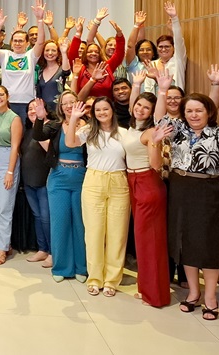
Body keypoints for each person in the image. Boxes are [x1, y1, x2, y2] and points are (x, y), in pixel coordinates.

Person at [154, 70, 219, 321]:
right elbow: (159, 121)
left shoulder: (218, 133)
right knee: (185, 241)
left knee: (209, 242)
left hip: (207, 191)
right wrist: (162, 91)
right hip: (180, 188)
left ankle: (211, 297)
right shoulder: (179, 130)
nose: (194, 115)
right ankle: (193, 292)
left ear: (208, 112)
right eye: (189, 111)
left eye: (199, 110)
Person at [65, 97, 130, 297]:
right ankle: (94, 278)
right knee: (93, 233)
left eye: (105, 109)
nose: (102, 113)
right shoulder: (88, 131)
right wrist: (74, 118)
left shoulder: (124, 133)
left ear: (112, 110)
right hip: (93, 181)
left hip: (119, 182)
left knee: (117, 234)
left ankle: (112, 280)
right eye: (98, 110)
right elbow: (70, 142)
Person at [121, 77, 171, 307]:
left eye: (146, 108)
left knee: (150, 241)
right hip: (133, 182)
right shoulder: (133, 127)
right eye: (138, 105)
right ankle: (146, 289)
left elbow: (156, 164)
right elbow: (133, 103)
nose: (140, 109)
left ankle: (155, 295)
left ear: (152, 113)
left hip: (147, 183)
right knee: (142, 241)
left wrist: (156, 143)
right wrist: (137, 86)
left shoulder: (152, 132)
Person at [33, 93, 88, 284]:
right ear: (60, 107)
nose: (69, 106)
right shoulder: (56, 126)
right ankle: (61, 267)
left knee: (80, 224)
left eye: (72, 102)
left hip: (82, 178)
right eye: (65, 103)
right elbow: (38, 135)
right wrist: (40, 118)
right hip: (58, 178)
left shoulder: (89, 125)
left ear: (79, 103)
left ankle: (81, 267)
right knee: (60, 223)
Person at [0, 0, 47, 119]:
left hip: (27, 103)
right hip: (7, 103)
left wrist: (40, 20)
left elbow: (41, 42)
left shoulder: (31, 55)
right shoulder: (5, 55)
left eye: (21, 41)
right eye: (15, 41)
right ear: (11, 42)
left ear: (27, 43)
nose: (17, 43)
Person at [0, 85, 23, 265]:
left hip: (7, 161)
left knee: (4, 207)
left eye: (1, 95)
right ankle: (5, 243)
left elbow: (15, 147)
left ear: (8, 96)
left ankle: (2, 249)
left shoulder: (14, 118)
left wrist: (10, 171)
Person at [67, 7, 125, 100]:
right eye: (90, 51)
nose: (93, 53)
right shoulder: (79, 67)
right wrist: (78, 33)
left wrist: (119, 34)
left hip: (107, 106)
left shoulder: (107, 66)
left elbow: (119, 53)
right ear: (85, 54)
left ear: (100, 54)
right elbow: (72, 54)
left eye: (96, 52)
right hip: (85, 106)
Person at [21, 99, 52, 267]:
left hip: (44, 180)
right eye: (30, 109)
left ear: (45, 110)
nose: (33, 111)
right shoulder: (27, 132)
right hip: (29, 180)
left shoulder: (50, 129)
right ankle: (42, 249)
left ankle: (53, 252)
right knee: (38, 216)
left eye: (37, 108)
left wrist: (39, 129)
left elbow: (51, 151)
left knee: (47, 218)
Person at [36, 37, 71, 113]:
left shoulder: (61, 69)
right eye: (47, 50)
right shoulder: (40, 71)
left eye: (53, 50)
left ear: (58, 53)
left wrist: (64, 53)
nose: (50, 53)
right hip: (44, 111)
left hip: (58, 110)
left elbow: (67, 72)